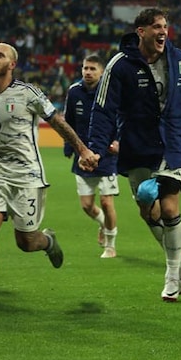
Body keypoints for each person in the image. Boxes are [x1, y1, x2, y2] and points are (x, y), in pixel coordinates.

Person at [81, 7, 181, 303]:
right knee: (147, 209)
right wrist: (96, 147)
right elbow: (103, 110)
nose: (163, 31)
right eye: (156, 26)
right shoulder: (120, 66)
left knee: (170, 209)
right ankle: (175, 258)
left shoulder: (179, 60)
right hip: (136, 147)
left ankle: (172, 273)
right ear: (140, 31)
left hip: (170, 144)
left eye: (165, 26)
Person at [0, 42, 100, 309]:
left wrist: (83, 150)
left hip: (27, 177)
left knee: (26, 242)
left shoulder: (29, 94)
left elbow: (58, 122)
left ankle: (48, 241)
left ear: (12, 65)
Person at [63, 53, 119, 259]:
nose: (88, 72)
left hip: (106, 155)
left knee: (106, 202)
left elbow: (120, 118)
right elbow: (67, 121)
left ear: (102, 72)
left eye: (92, 69)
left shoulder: (111, 91)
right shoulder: (74, 92)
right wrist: (68, 146)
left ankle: (110, 245)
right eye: (85, 68)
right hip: (82, 156)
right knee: (87, 205)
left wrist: (117, 141)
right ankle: (104, 224)